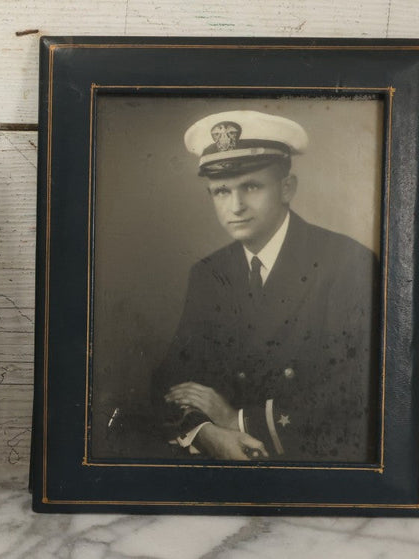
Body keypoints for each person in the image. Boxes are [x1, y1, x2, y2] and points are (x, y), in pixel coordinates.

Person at [151, 110, 378, 462]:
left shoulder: (347, 263)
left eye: (252, 187)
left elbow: (356, 389)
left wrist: (237, 419)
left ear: (287, 188)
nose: (236, 206)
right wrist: (207, 433)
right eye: (222, 191)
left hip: (312, 467)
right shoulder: (209, 273)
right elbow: (175, 378)